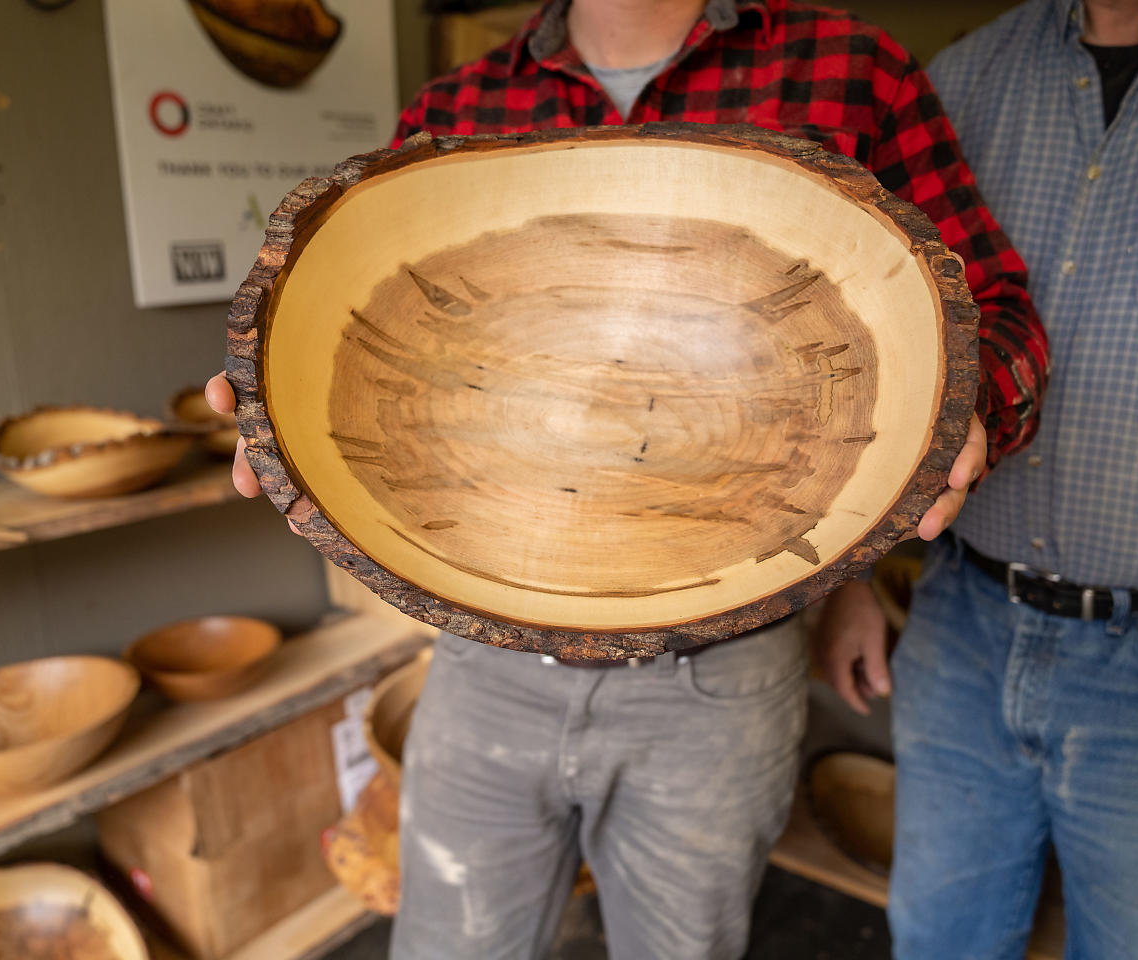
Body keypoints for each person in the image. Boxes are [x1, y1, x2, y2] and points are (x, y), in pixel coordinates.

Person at [207, 0, 1048, 956]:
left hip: (719, 679)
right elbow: (360, 343)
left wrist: (968, 412)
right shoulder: (463, 101)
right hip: (485, 664)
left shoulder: (853, 70)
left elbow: (997, 318)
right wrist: (276, 406)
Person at [815, 0, 1138, 956]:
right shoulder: (964, 74)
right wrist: (850, 575)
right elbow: (875, 340)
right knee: (939, 939)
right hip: (965, 626)